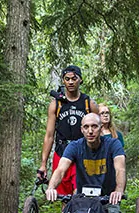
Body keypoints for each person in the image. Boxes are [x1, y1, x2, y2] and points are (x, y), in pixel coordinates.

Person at [45, 113, 126, 213]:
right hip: (82, 200)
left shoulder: (113, 144)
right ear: (81, 129)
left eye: (94, 126)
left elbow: (120, 169)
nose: (90, 131)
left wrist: (118, 191)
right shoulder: (74, 146)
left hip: (107, 199)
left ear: (101, 128)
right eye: (86, 127)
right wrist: (51, 188)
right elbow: (60, 169)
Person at [38, 65, 100, 195]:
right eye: (67, 79)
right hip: (61, 153)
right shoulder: (56, 104)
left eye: (74, 78)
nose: (71, 82)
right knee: (64, 197)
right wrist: (43, 164)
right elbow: (49, 135)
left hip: (83, 153)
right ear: (63, 81)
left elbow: (99, 132)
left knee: (80, 193)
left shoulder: (89, 104)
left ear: (80, 80)